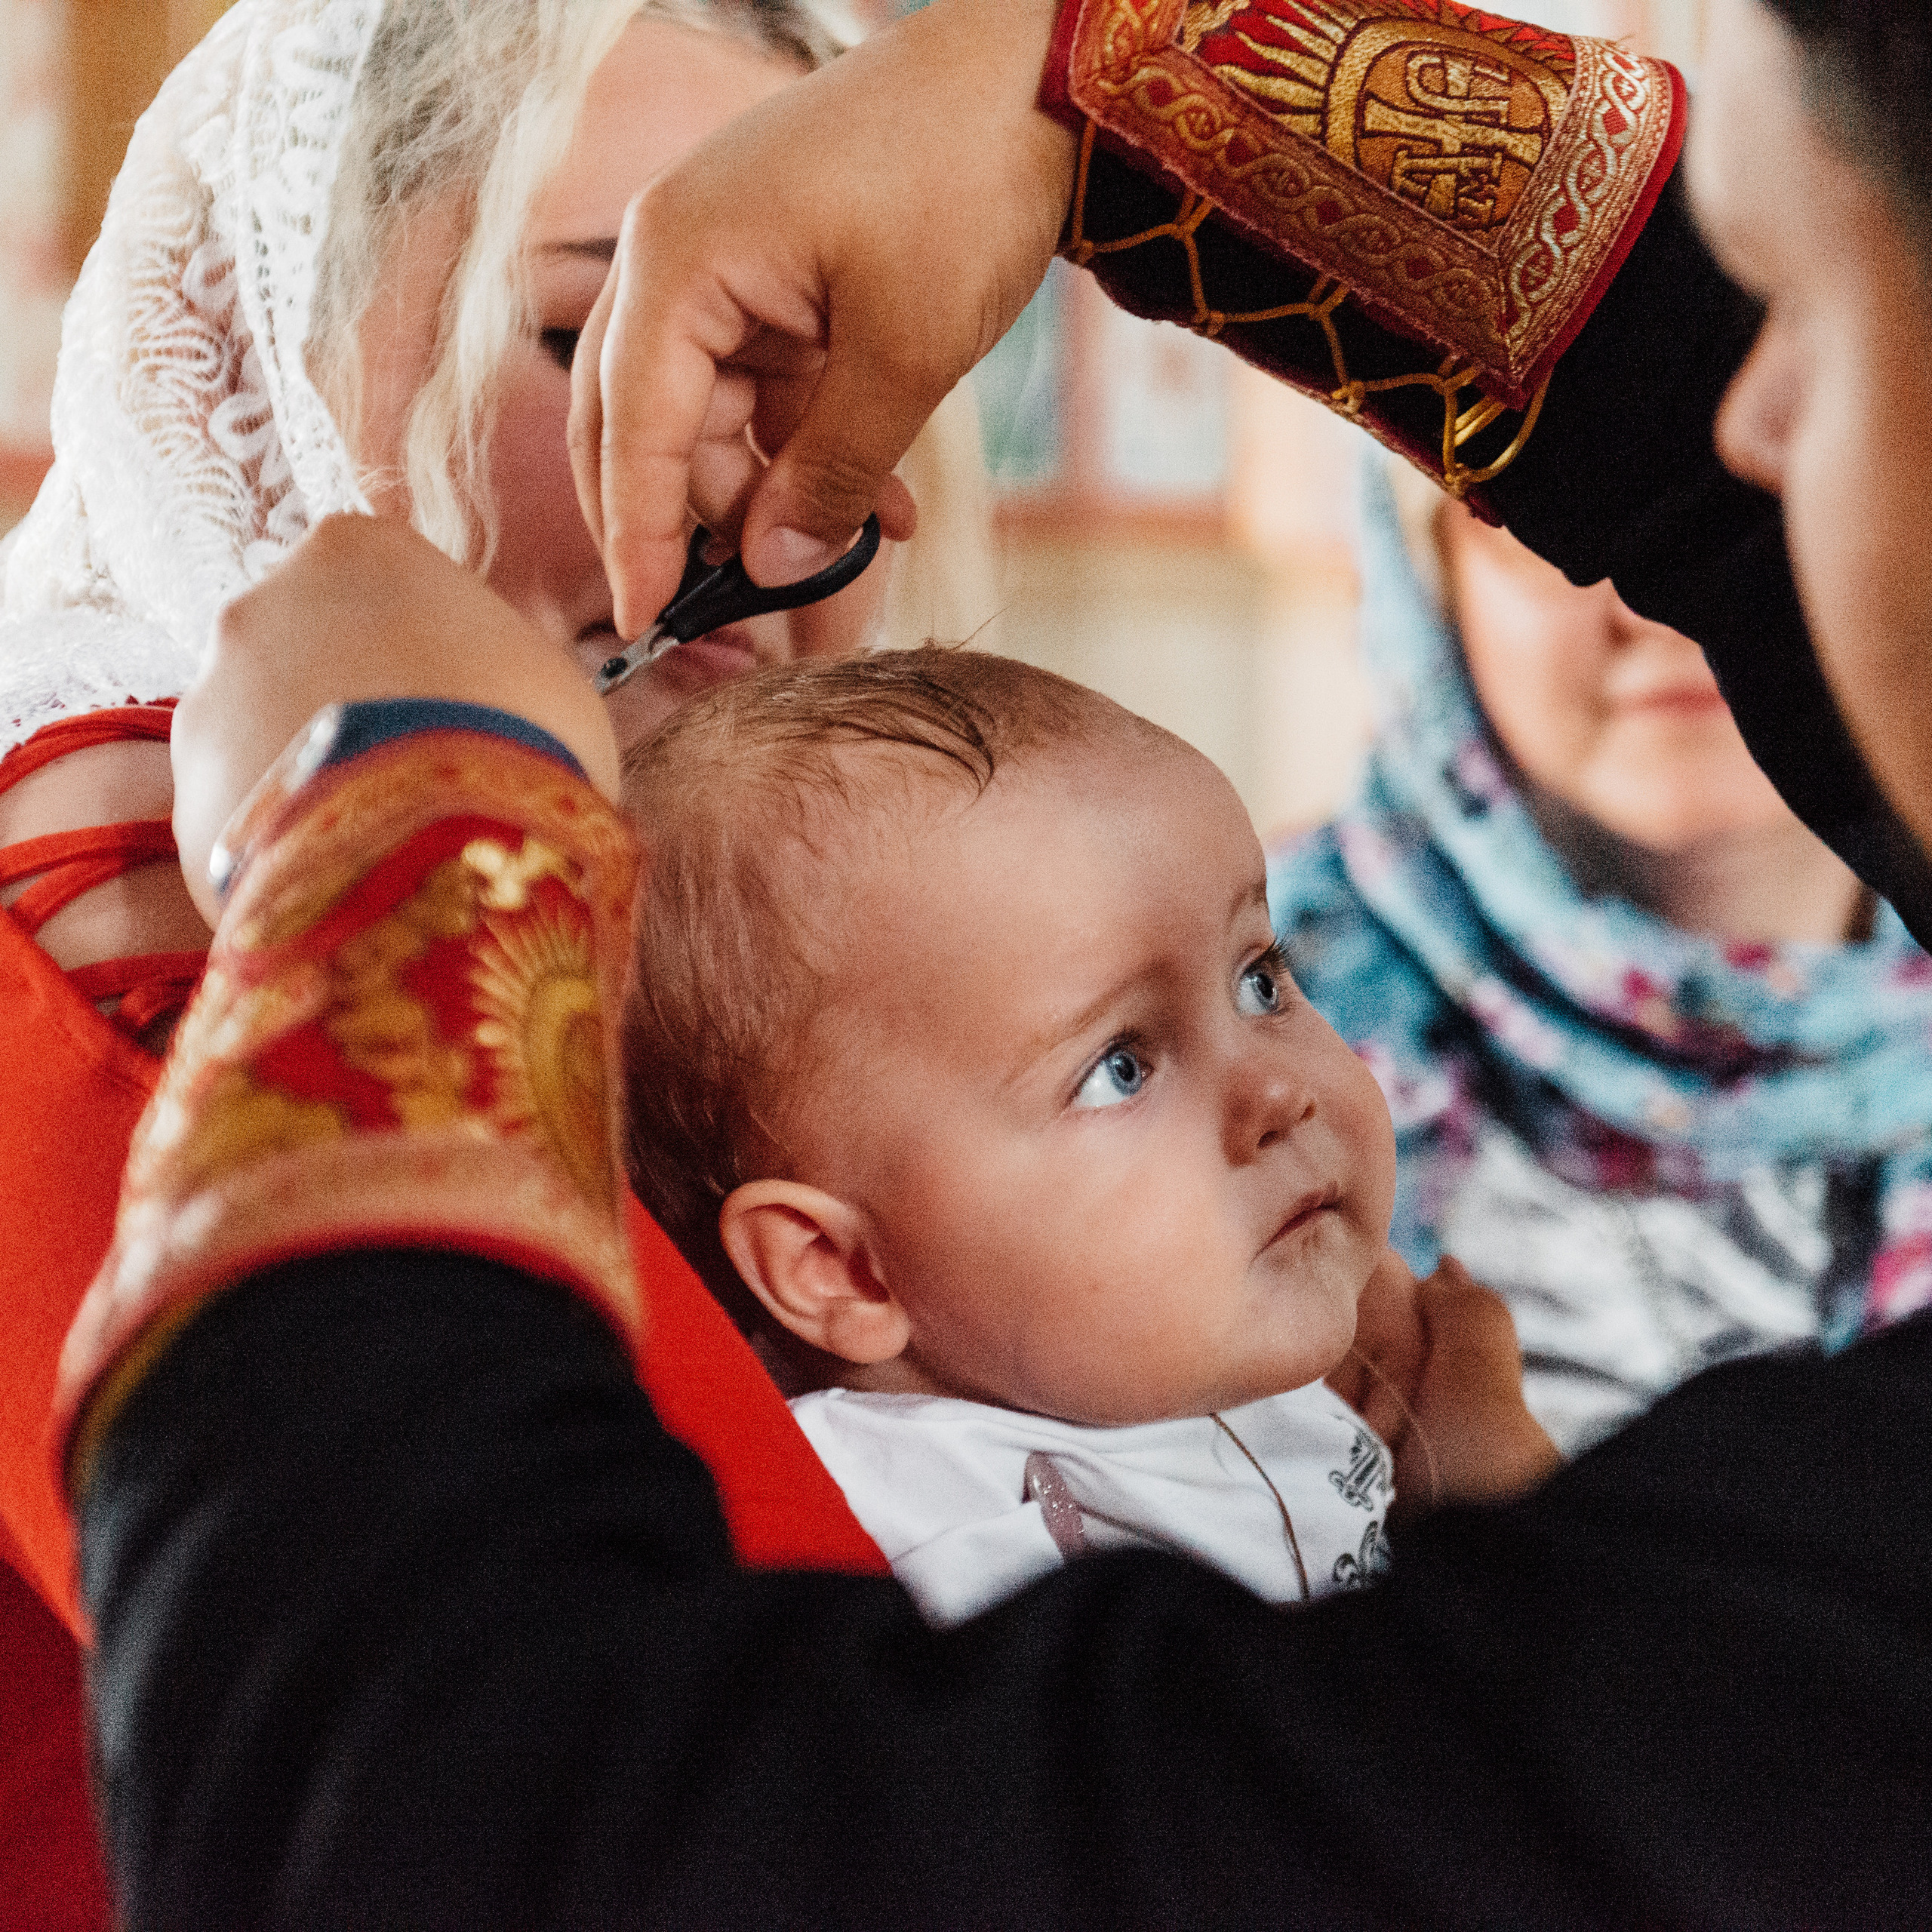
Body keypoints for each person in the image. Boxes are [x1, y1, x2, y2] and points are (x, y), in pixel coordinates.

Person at [46, 0, 1932, 1920]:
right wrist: (1111, 86)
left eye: (1814, 308)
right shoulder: (80, 1038)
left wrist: (402, 818)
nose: (1753, 424)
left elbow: (452, 1824)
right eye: (582, 342)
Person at [0, 0, 990, 1915]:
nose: (792, 497)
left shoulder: (688, 959)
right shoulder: (149, 942)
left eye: (855, 391)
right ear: (268, 351)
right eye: (595, 338)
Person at [620, 645, 1559, 1623]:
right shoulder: (919, 1557)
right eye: (1120, 1068)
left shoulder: (1226, 1370)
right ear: (842, 1268)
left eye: (1259, 981)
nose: (1279, 1092)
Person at [1270, 461, 1932, 1454]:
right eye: (1557, 516)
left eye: (1752, 497)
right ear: (1427, 565)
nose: (1662, 608)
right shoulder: (1217, 1030)